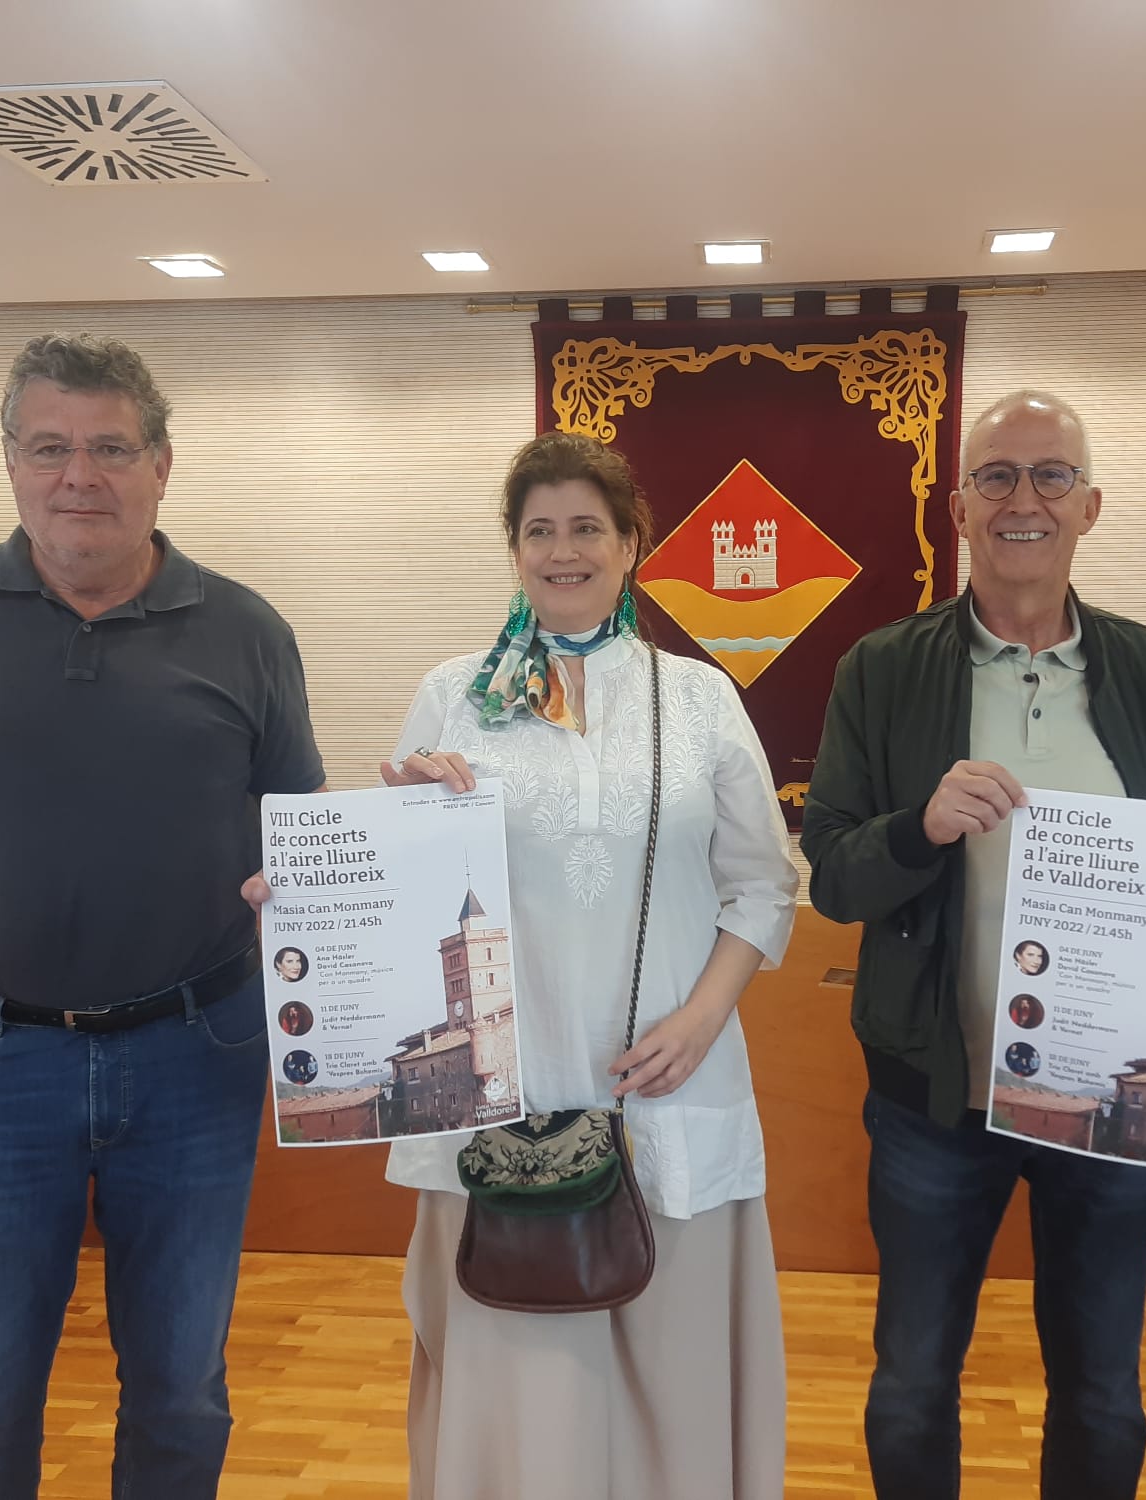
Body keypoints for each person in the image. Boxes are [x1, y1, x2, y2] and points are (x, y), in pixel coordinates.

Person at [0, 332, 325, 1500]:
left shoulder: (248, 633)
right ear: (10, 464)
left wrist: (418, 825)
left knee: (183, 1401)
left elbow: (313, 852)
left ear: (162, 466)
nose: (77, 476)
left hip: (198, 1058)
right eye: (49, 448)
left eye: (108, 448)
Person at [314, 430, 793, 1498]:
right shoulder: (453, 696)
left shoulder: (698, 698)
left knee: (674, 1364)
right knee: (520, 1372)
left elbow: (763, 885)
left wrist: (703, 1017)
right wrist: (407, 811)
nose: (562, 551)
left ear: (631, 545)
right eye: (540, 530)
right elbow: (399, 891)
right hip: (498, 1100)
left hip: (664, 1080)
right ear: (514, 548)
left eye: (587, 528)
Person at [802, 390, 1146, 1500]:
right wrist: (918, 829)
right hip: (935, 1103)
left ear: (1090, 506)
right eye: (996, 477)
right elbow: (831, 872)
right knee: (912, 1384)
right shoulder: (881, 667)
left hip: (1109, 1103)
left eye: (1050, 476)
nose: (1023, 499)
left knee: (1105, 1395)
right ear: (953, 506)